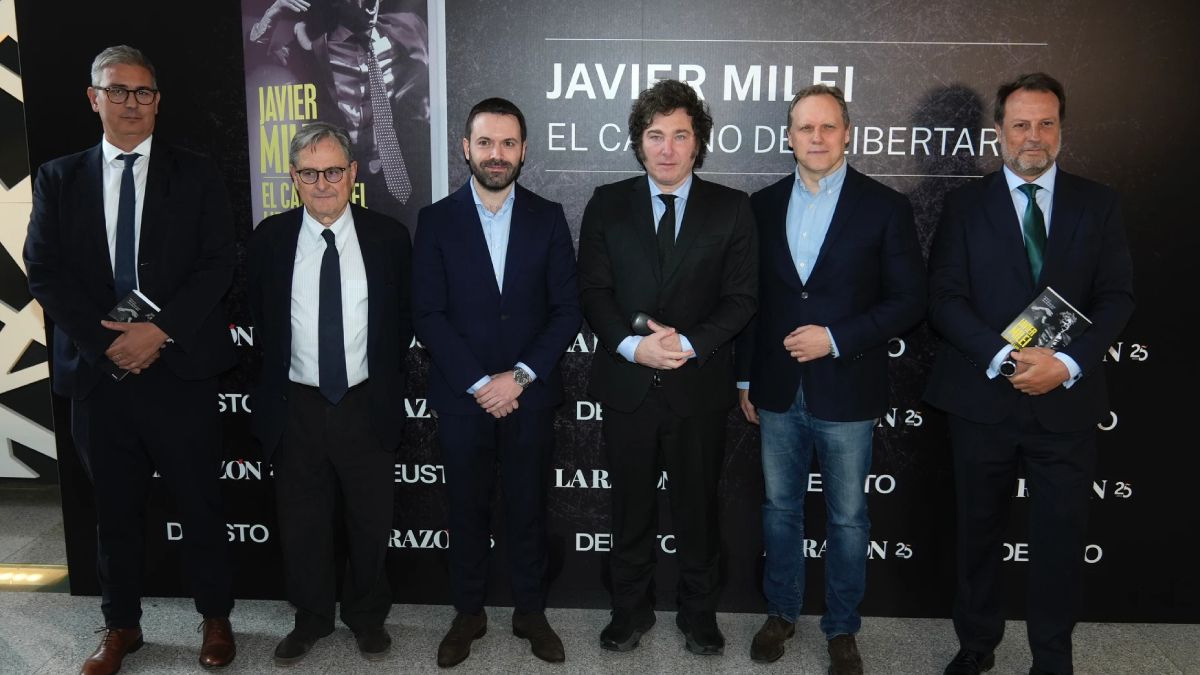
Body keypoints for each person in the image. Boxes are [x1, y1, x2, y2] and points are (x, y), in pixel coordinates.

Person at [23, 45, 238, 674]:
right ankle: (122, 627)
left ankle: (216, 619)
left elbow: (217, 262)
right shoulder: (59, 177)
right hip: (97, 377)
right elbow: (45, 272)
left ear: (158, 100)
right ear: (94, 98)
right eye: (118, 91)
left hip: (178, 371)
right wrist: (109, 342)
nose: (132, 104)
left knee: (201, 503)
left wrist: (159, 332)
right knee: (113, 512)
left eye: (144, 92)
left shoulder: (196, 172)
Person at [925, 73, 1134, 675]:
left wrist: (1065, 363)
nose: (1033, 137)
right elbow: (943, 298)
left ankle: (1052, 656)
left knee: (1061, 541)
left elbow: (1117, 298)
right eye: (1020, 124)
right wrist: (1005, 358)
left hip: (1065, 403)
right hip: (981, 399)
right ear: (999, 133)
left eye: (1046, 123)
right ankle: (977, 644)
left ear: (1062, 130)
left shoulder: (1100, 203)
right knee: (978, 534)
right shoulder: (964, 205)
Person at [735, 84, 926, 672]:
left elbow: (909, 301)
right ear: (788, 137)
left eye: (827, 127)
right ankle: (782, 613)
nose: (815, 138)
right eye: (804, 128)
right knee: (779, 511)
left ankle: (842, 628)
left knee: (847, 518)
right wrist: (744, 378)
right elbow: (748, 300)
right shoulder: (760, 206)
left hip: (848, 388)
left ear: (848, 133)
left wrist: (836, 337)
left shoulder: (885, 207)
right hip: (775, 390)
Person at [577, 79, 758, 656]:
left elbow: (741, 298)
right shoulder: (607, 204)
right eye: (655, 135)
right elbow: (595, 292)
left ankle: (698, 616)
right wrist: (636, 347)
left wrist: (687, 344)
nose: (667, 148)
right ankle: (628, 612)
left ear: (699, 143)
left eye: (681, 135)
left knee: (698, 511)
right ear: (639, 143)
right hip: (628, 384)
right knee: (628, 509)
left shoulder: (732, 208)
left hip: (698, 388)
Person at [412, 97, 581, 668]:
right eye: (485, 142)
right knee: (465, 509)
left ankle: (530, 612)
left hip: (529, 397)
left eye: (508, 143)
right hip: (464, 399)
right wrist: (481, 382)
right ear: (466, 148)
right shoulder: (435, 220)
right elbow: (427, 313)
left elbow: (566, 310)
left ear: (524, 150)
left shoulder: (549, 216)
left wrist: (520, 377)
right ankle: (468, 613)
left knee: (529, 508)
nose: (497, 154)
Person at [246, 121, 413, 665]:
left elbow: (403, 321)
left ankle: (366, 617)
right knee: (303, 522)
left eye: (333, 171)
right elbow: (259, 323)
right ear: (294, 177)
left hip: (366, 401)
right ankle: (312, 618)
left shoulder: (389, 238)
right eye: (310, 173)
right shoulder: (269, 239)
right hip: (297, 404)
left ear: (353, 174)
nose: (323, 183)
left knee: (370, 521)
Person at [248, 0, 431, 228]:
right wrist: (271, 15)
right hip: (347, 184)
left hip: (406, 174)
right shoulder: (307, 49)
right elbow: (253, 70)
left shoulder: (410, 28)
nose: (369, 4)